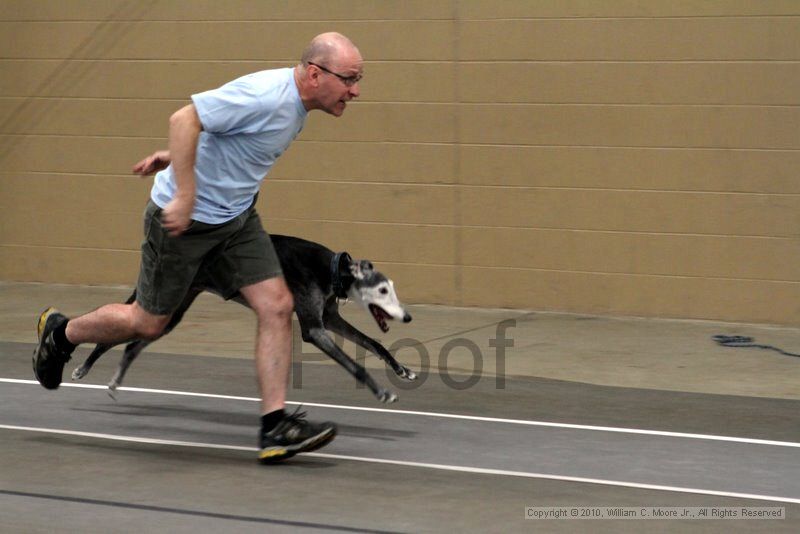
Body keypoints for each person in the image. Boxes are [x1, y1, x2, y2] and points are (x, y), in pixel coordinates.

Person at [32, 32, 364, 463]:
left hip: (236, 220)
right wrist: (184, 193)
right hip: (183, 224)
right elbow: (184, 119)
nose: (355, 91)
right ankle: (61, 332)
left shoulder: (297, 106)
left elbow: (225, 137)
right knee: (148, 323)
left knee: (278, 305)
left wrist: (175, 157)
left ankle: (275, 427)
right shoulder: (265, 95)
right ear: (315, 74)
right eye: (350, 79)